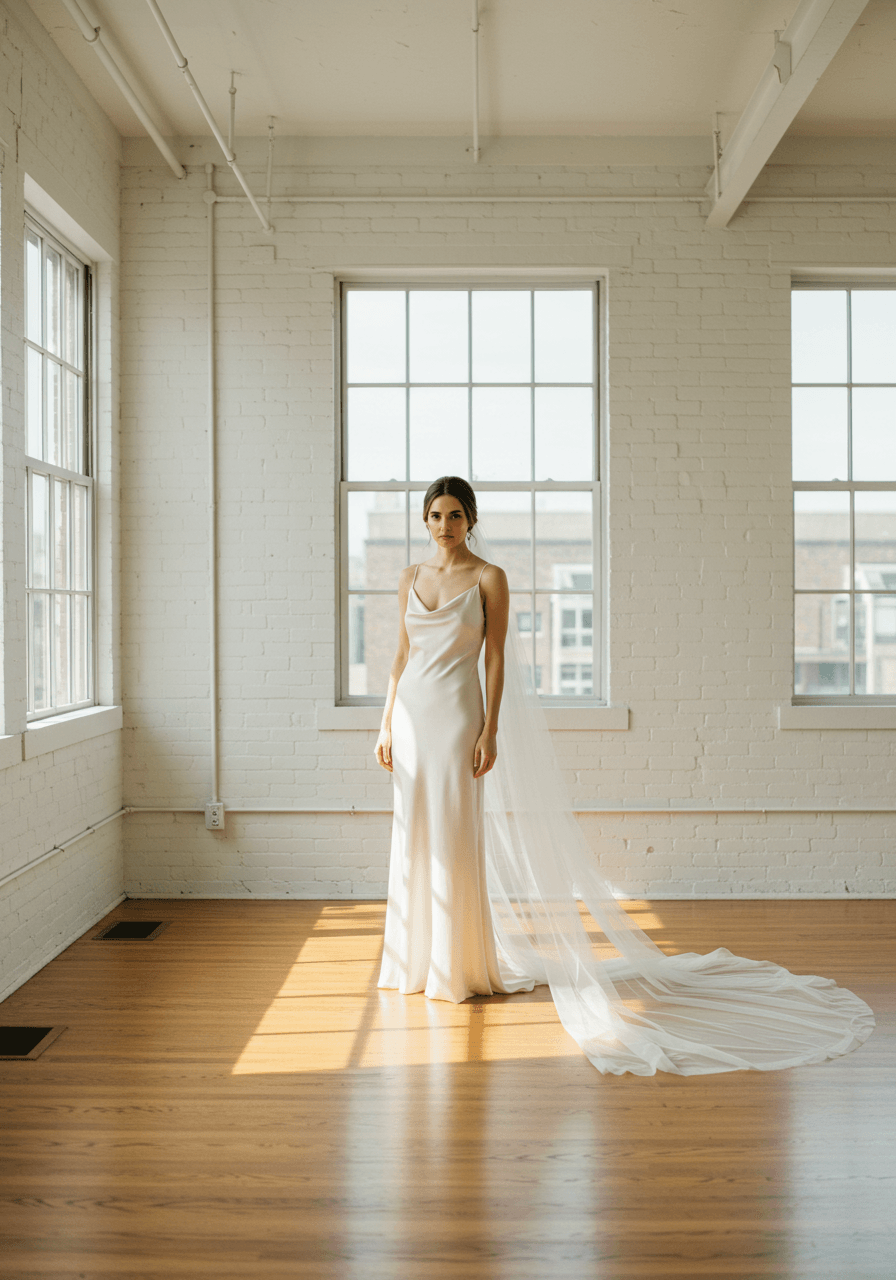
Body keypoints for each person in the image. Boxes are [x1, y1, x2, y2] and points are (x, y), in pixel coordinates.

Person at [374, 476, 875, 1075]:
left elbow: (497, 657)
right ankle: (412, 961)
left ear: (470, 519)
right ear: (424, 520)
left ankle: (455, 966)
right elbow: (400, 657)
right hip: (409, 719)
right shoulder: (409, 577)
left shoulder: (489, 578)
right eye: (435, 514)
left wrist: (491, 729)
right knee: (413, 835)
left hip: (457, 717)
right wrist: (384, 723)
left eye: (455, 514)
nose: (444, 525)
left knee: (454, 838)